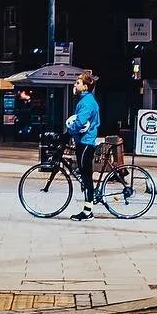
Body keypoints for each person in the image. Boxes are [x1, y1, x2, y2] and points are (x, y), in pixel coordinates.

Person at [64, 71, 101, 221]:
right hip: (83, 141)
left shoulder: (87, 102)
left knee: (86, 177)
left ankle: (87, 212)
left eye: (78, 83)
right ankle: (88, 206)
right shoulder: (85, 100)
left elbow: (80, 122)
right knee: (85, 175)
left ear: (85, 87)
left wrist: (67, 134)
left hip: (86, 142)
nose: (75, 84)